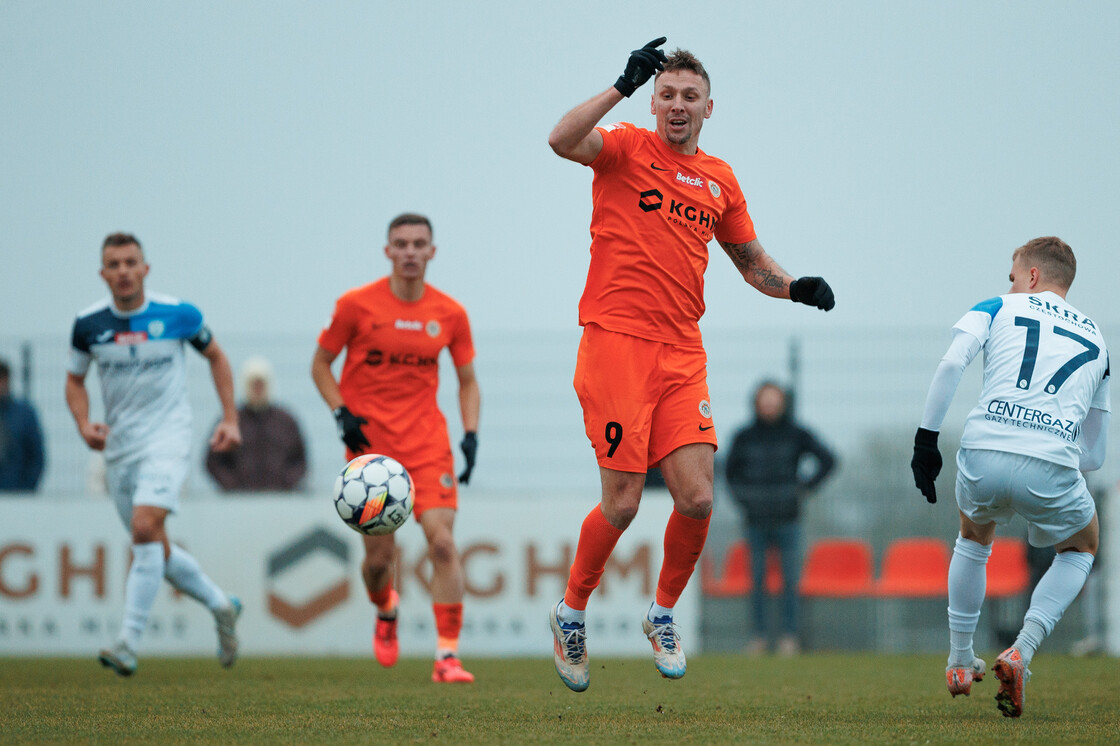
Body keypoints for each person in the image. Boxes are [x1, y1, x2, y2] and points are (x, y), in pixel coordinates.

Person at [546, 37, 835, 692]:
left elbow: (751, 263)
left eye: (690, 97)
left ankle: (662, 613)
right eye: (667, 94)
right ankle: (570, 611)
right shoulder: (621, 146)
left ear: (710, 108)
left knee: (699, 497)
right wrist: (620, 84)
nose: (678, 105)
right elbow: (562, 139)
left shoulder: (720, 179)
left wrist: (796, 288)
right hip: (616, 342)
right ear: (654, 102)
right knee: (620, 503)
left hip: (681, 350)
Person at [911, 236, 1110, 718]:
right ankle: (1021, 649)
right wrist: (1048, 459)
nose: (1011, 283)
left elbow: (953, 363)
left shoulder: (997, 307)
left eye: (1014, 275)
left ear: (1033, 277)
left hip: (984, 451)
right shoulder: (1099, 340)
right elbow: (1096, 453)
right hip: (1054, 463)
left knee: (974, 539)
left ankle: (960, 661)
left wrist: (925, 441)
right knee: (1081, 547)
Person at [311, 213, 481, 684]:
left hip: (427, 445)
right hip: (370, 454)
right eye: (401, 244)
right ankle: (386, 609)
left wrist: (470, 433)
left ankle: (447, 657)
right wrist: (340, 412)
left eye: (418, 244)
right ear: (388, 251)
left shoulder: (450, 313)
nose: (410, 252)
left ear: (432, 252)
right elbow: (320, 365)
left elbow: (468, 382)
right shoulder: (355, 305)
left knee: (443, 545)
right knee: (379, 563)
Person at [65, 232, 244, 677]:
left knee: (145, 528)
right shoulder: (88, 325)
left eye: (130, 262)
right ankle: (221, 605)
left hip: (169, 438)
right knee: (152, 547)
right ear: (103, 273)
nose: (123, 271)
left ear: (145, 269)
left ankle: (127, 642)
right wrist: (84, 424)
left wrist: (230, 418)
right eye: (114, 264)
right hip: (120, 448)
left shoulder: (178, 314)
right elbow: (74, 381)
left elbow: (217, 357)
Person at [725, 381, 836, 657]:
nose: (770, 406)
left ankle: (789, 638)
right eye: (765, 401)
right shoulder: (743, 437)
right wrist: (744, 500)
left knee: (790, 581)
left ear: (783, 403)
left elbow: (829, 460)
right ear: (756, 403)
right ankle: (758, 638)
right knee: (757, 582)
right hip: (755, 520)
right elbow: (728, 473)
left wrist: (805, 489)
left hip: (789, 518)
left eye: (775, 401)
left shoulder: (797, 433)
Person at [206, 356, 308, 491]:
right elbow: (214, 461)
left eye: (261, 384)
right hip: (239, 504)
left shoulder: (286, 421)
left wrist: (286, 484)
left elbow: (300, 460)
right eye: (254, 384)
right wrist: (233, 486)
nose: (258, 389)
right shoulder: (231, 421)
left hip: (279, 501)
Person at [0, 357, 46, 492]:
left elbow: (36, 456)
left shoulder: (24, 413)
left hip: (16, 492)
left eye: (2, 379)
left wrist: (26, 489)